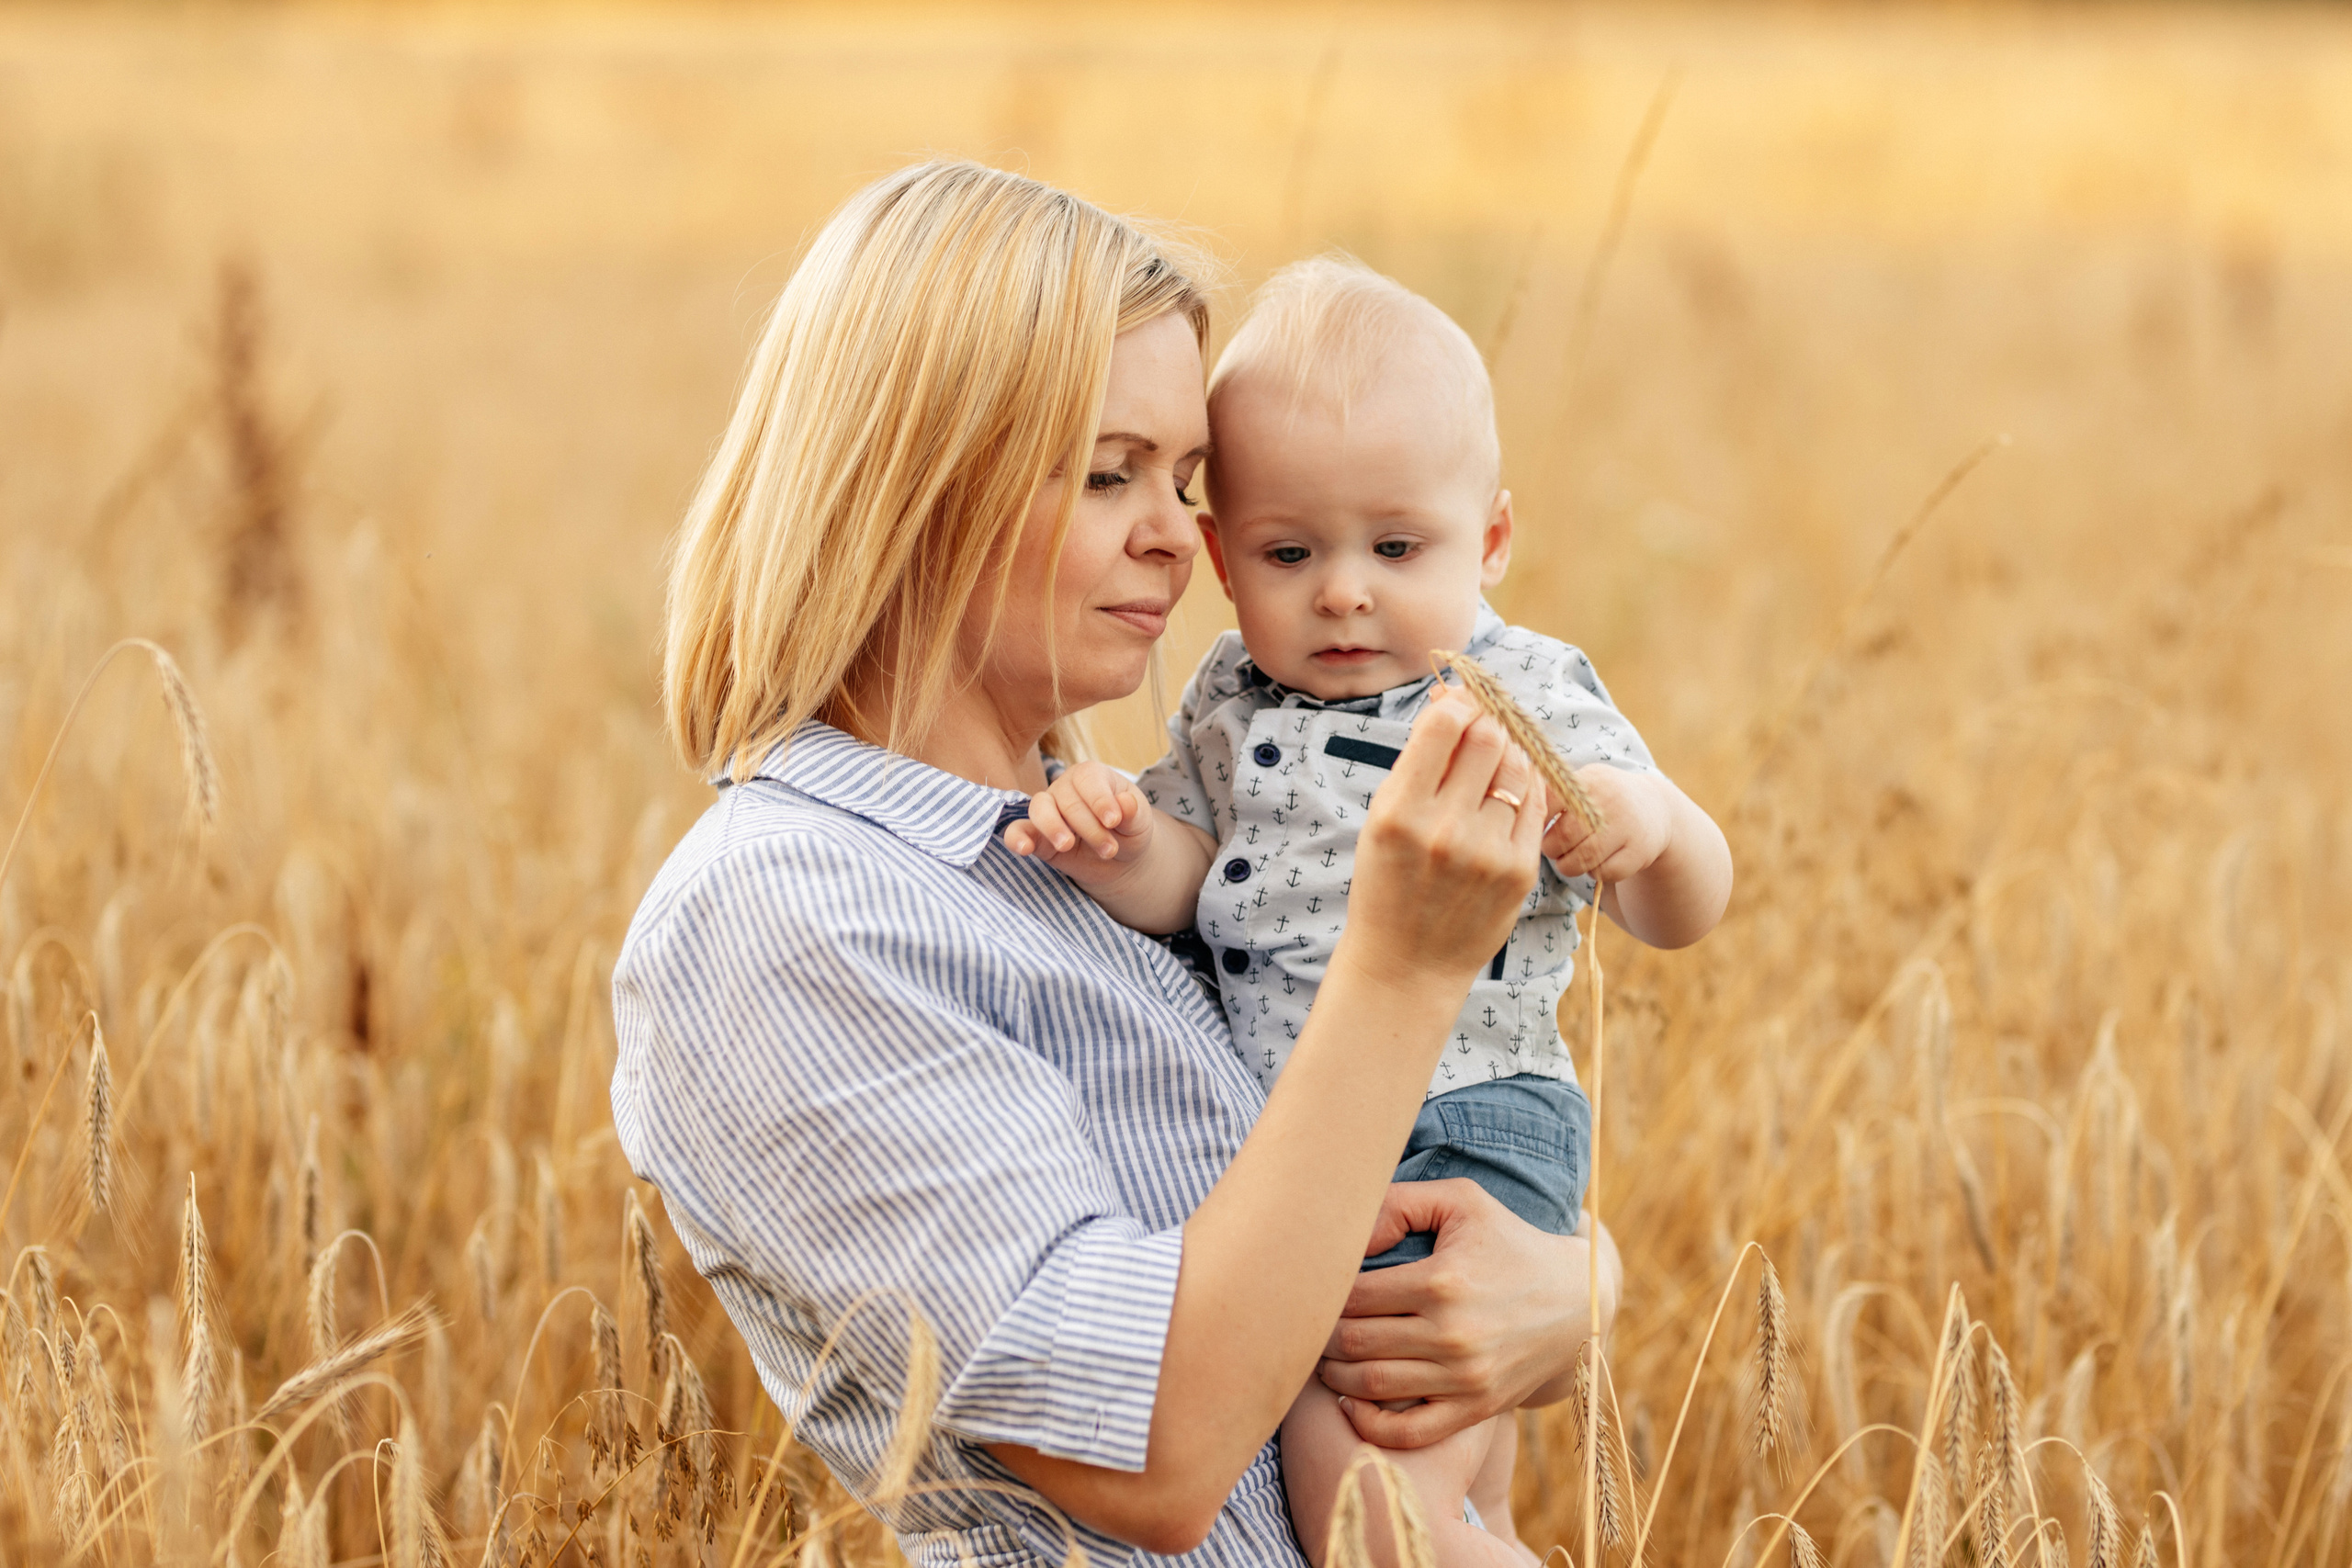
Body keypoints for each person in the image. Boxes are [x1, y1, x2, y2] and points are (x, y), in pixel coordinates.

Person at [610, 162, 1620, 1568]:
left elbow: (1331, 1199)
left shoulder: (1101, 853)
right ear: (909, 483)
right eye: (1106, 472)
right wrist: (1402, 962)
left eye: (1185, 478)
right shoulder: (784, 919)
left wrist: (1571, 1289)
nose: (1173, 537)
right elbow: (1149, 1451)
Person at [1004, 257, 1733, 1566]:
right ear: (1224, 562)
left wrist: (1650, 828)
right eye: (1292, 553)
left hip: (1458, 1126)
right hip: (1319, 1144)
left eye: (1396, 549)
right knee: (1443, 1505)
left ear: (1492, 541)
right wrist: (1120, 848)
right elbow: (1199, 884)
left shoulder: (1514, 689)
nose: (1344, 592)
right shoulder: (1230, 707)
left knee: (1366, 1506)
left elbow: (1684, 911)